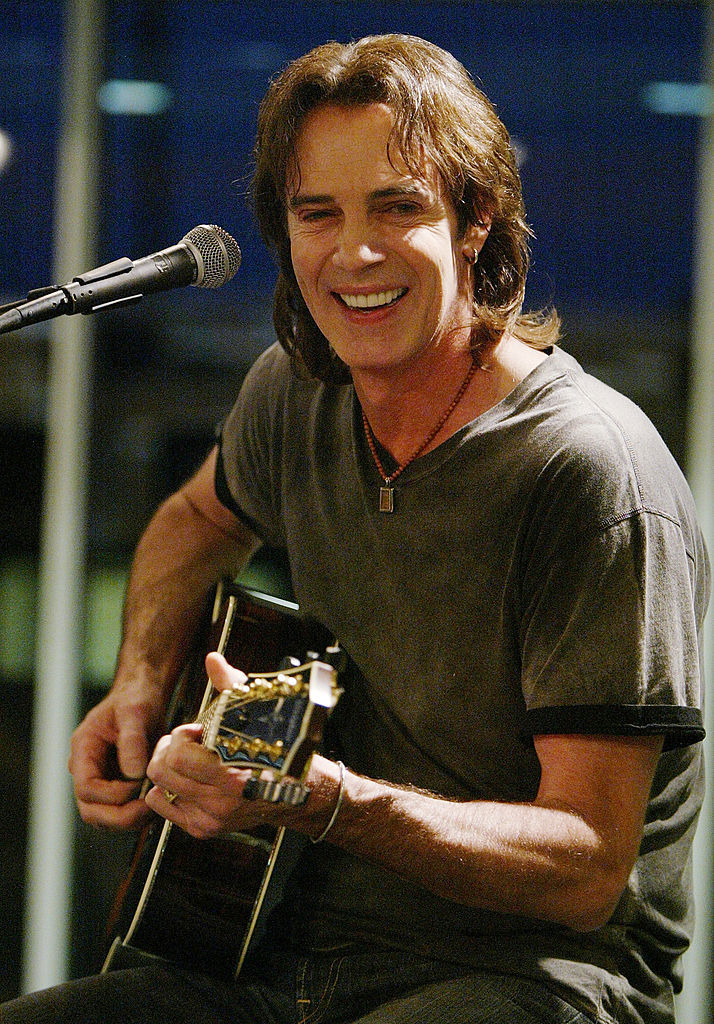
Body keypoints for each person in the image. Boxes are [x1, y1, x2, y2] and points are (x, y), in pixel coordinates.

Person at [3, 33, 708, 1024]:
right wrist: (136, 681)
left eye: (398, 206)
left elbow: (587, 867)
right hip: (287, 957)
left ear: (477, 220)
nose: (354, 252)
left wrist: (323, 801)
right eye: (317, 214)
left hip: (537, 978)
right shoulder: (295, 394)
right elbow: (200, 514)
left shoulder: (589, 472)